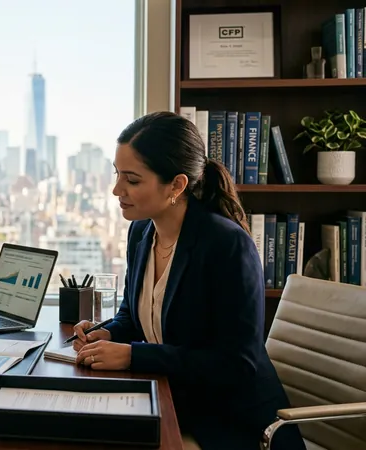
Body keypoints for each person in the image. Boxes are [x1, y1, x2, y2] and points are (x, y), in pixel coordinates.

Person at [70, 111, 305, 450]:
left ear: (177, 186)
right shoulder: (141, 231)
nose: (116, 190)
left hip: (234, 425)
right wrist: (108, 332)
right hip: (178, 403)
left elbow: (235, 364)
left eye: (133, 180)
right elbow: (133, 315)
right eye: (118, 174)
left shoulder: (226, 245)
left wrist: (133, 356)